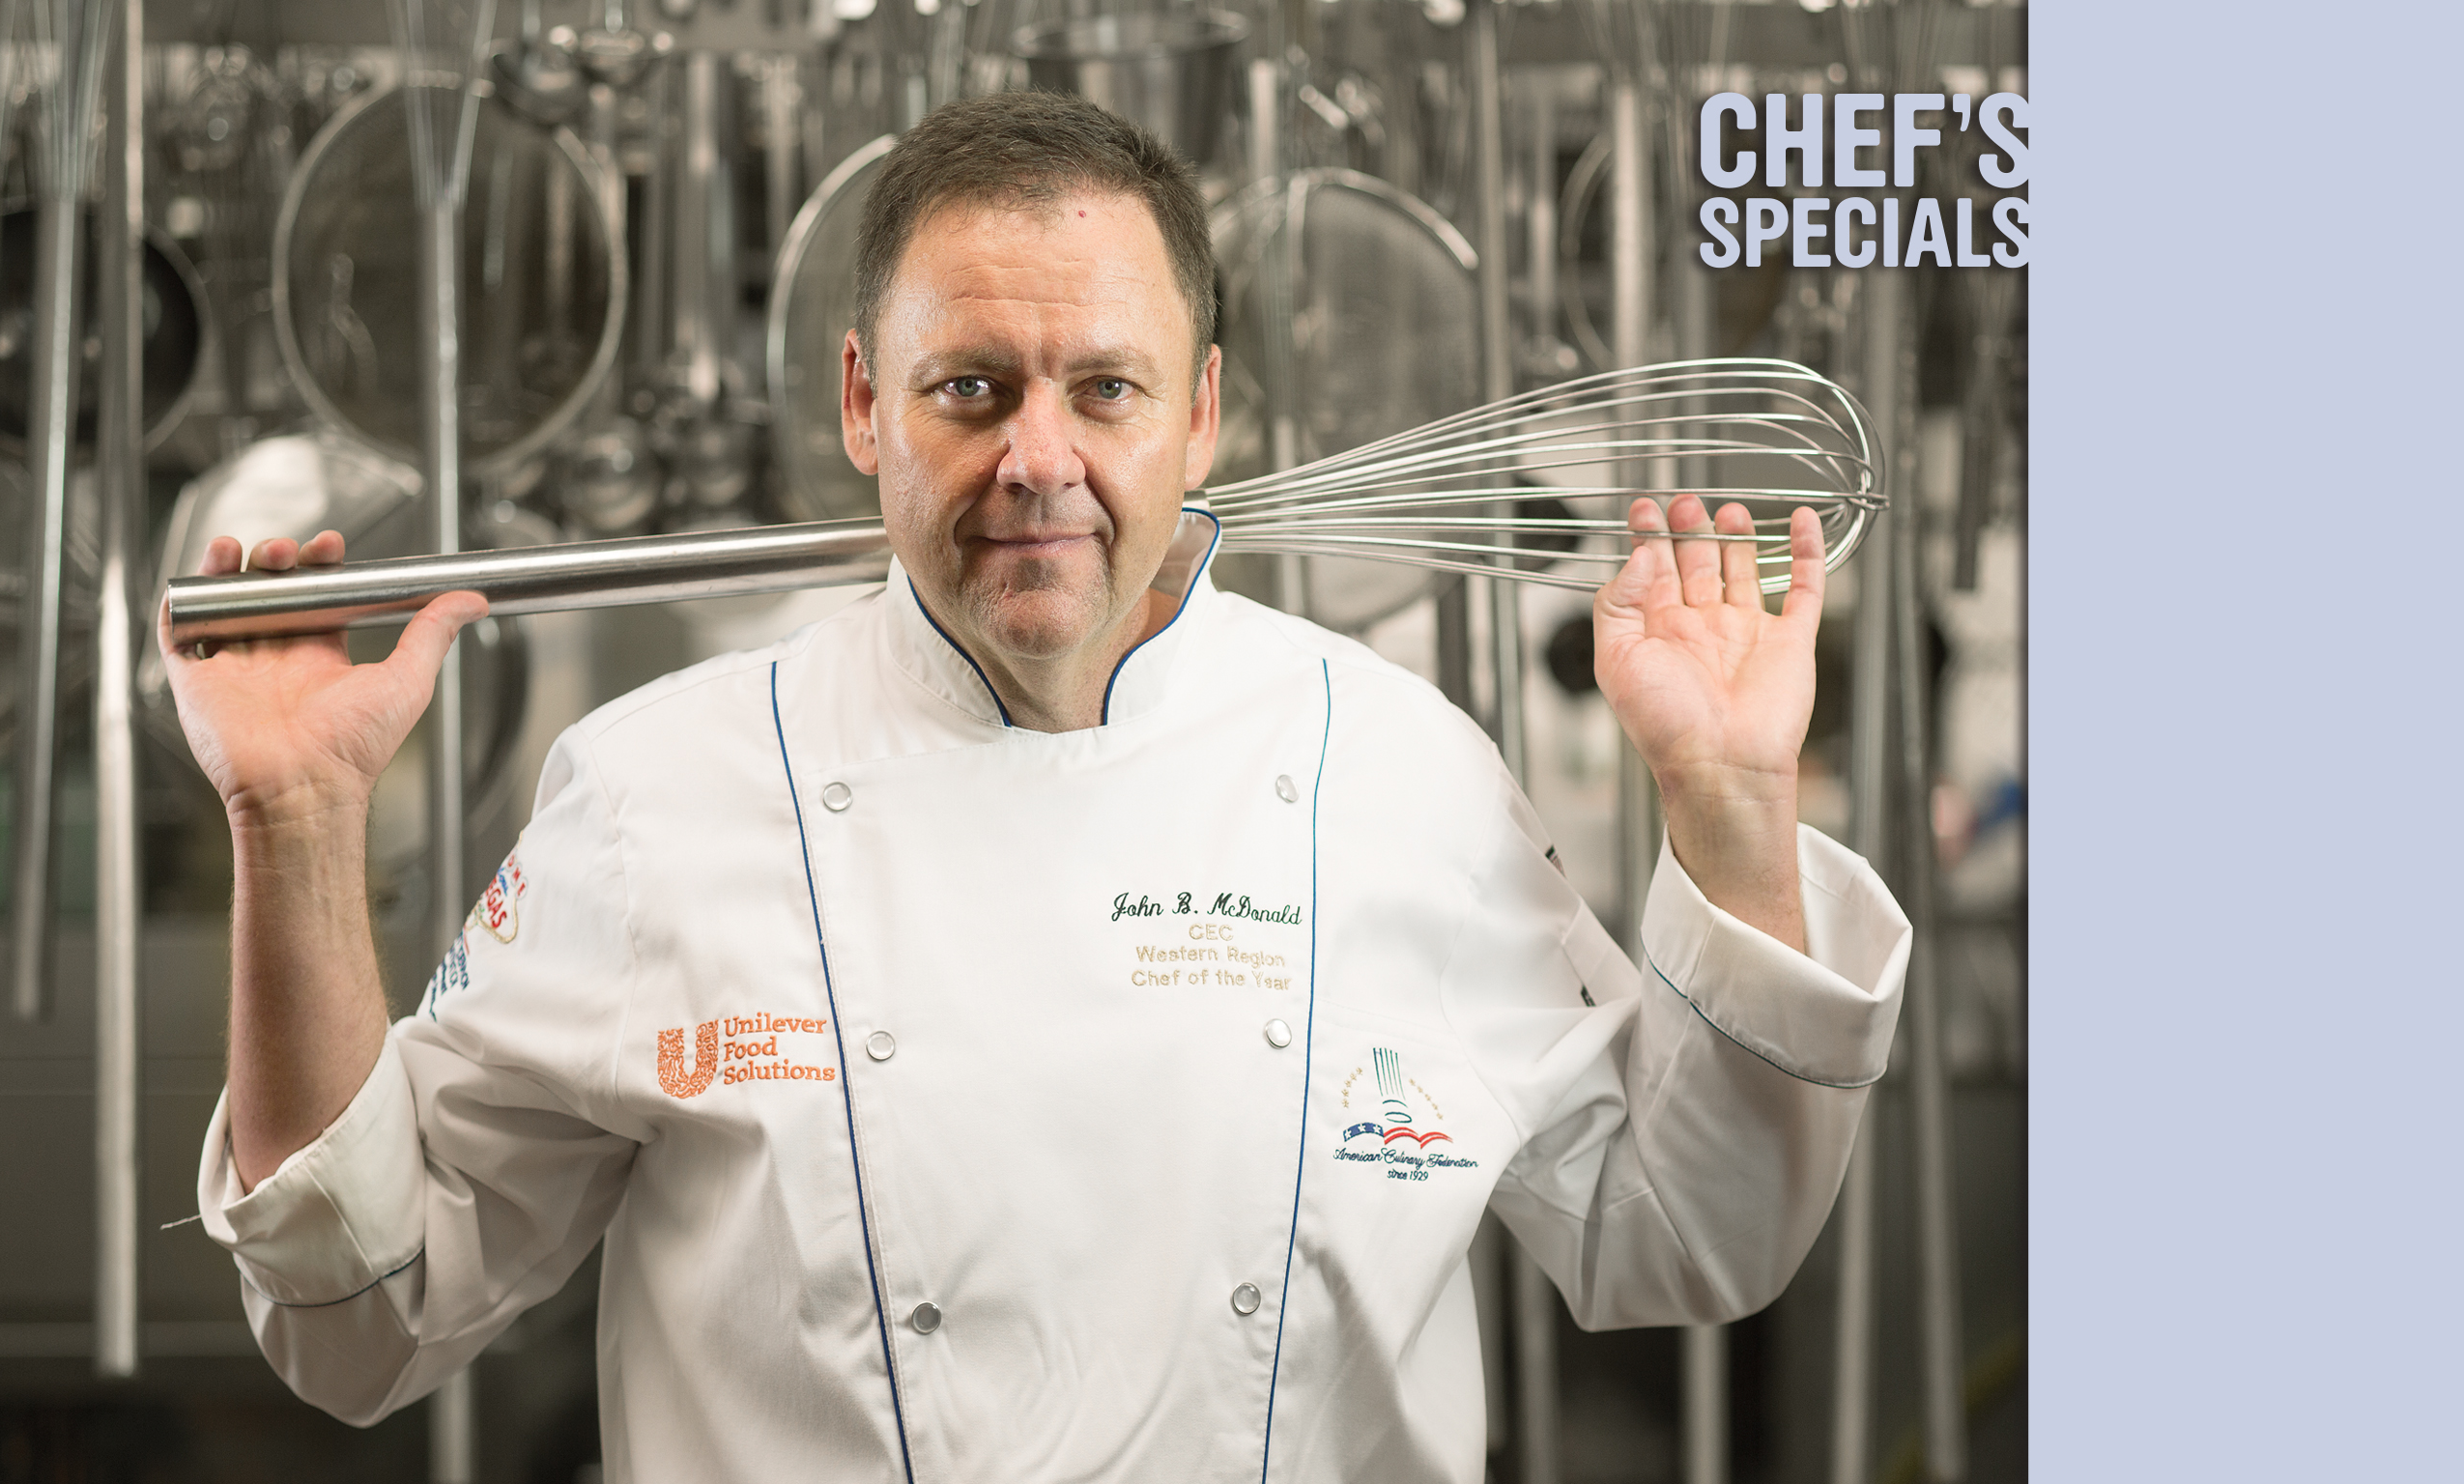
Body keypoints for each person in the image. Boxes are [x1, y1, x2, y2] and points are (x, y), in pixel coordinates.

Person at [172, 92, 1906, 1481]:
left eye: (1107, 391)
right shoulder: (658, 789)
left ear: (1204, 415)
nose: (1040, 462)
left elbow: (1686, 1232)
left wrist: (1735, 807)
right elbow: (359, 1329)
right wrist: (298, 825)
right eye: (970, 391)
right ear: (865, 404)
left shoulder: (1396, 770)